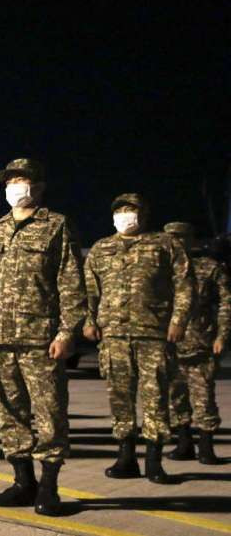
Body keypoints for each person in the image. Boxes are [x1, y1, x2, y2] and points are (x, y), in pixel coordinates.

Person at [0, 158, 86, 516]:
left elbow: (71, 281)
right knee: (8, 411)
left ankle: (49, 487)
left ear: (38, 186)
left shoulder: (56, 225)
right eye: (10, 181)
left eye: (22, 179)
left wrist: (67, 331)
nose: (15, 186)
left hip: (41, 337)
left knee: (49, 411)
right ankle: (23, 482)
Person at [84, 195, 194, 484]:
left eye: (131, 210)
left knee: (155, 397)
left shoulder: (165, 245)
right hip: (113, 336)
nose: (125, 215)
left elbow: (184, 284)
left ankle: (154, 462)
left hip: (154, 334)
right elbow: (90, 290)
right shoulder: (101, 248)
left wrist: (178, 321)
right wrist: (89, 321)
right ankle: (126, 458)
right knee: (119, 398)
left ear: (144, 214)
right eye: (120, 210)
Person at [163, 222, 229, 465]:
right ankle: (184, 444)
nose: (176, 242)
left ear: (191, 240)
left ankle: (206, 448)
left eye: (180, 237)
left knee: (203, 396)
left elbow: (226, 304)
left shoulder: (209, 268)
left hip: (200, 343)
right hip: (167, 345)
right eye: (171, 238)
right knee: (175, 397)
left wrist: (222, 336)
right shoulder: (159, 268)